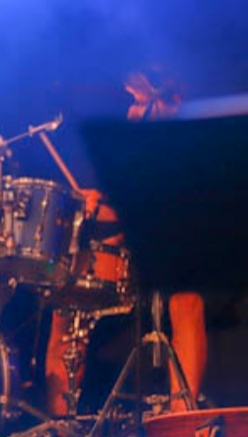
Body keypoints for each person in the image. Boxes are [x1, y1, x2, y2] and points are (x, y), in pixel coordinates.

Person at [45, 66, 206, 416]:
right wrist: (84, 203)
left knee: (187, 295)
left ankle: (184, 417)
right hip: (110, 236)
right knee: (68, 303)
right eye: (132, 100)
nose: (134, 110)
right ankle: (60, 420)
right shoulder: (103, 123)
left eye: (141, 101)